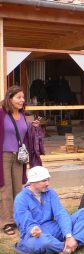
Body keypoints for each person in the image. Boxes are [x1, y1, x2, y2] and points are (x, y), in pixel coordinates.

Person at [13, 166, 84, 254]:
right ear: (33, 182)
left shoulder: (50, 192)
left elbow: (61, 213)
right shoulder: (20, 199)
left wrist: (68, 235)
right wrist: (34, 229)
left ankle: (70, 244)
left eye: (48, 180)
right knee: (44, 243)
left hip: (53, 228)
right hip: (34, 235)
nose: (48, 183)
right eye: (44, 181)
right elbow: (26, 222)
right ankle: (77, 243)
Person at [0, 85, 41, 236]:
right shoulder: (1, 113)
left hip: (19, 156)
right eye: (19, 97)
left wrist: (32, 126)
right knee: (5, 189)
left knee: (19, 188)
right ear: (9, 98)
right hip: (3, 155)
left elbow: (21, 131)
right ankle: (6, 222)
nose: (22, 100)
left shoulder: (22, 114)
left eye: (23, 97)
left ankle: (18, 218)